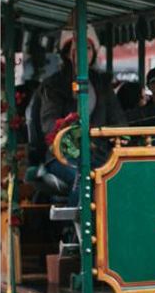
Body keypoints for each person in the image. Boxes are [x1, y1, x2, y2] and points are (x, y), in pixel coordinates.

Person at [37, 27, 126, 200]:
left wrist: (115, 135)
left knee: (119, 177)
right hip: (63, 156)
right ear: (67, 53)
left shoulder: (102, 83)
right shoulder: (53, 85)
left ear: (94, 52)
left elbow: (119, 120)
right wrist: (75, 137)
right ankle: (77, 224)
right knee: (83, 177)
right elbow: (49, 125)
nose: (83, 54)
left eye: (88, 48)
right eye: (76, 49)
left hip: (101, 154)